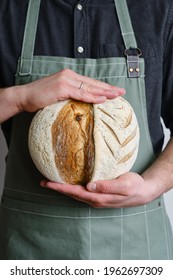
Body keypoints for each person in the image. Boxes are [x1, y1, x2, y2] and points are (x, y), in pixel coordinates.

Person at [0, 0, 173, 260]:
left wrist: (152, 185)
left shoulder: (159, 7)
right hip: (30, 249)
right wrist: (19, 98)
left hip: (135, 248)